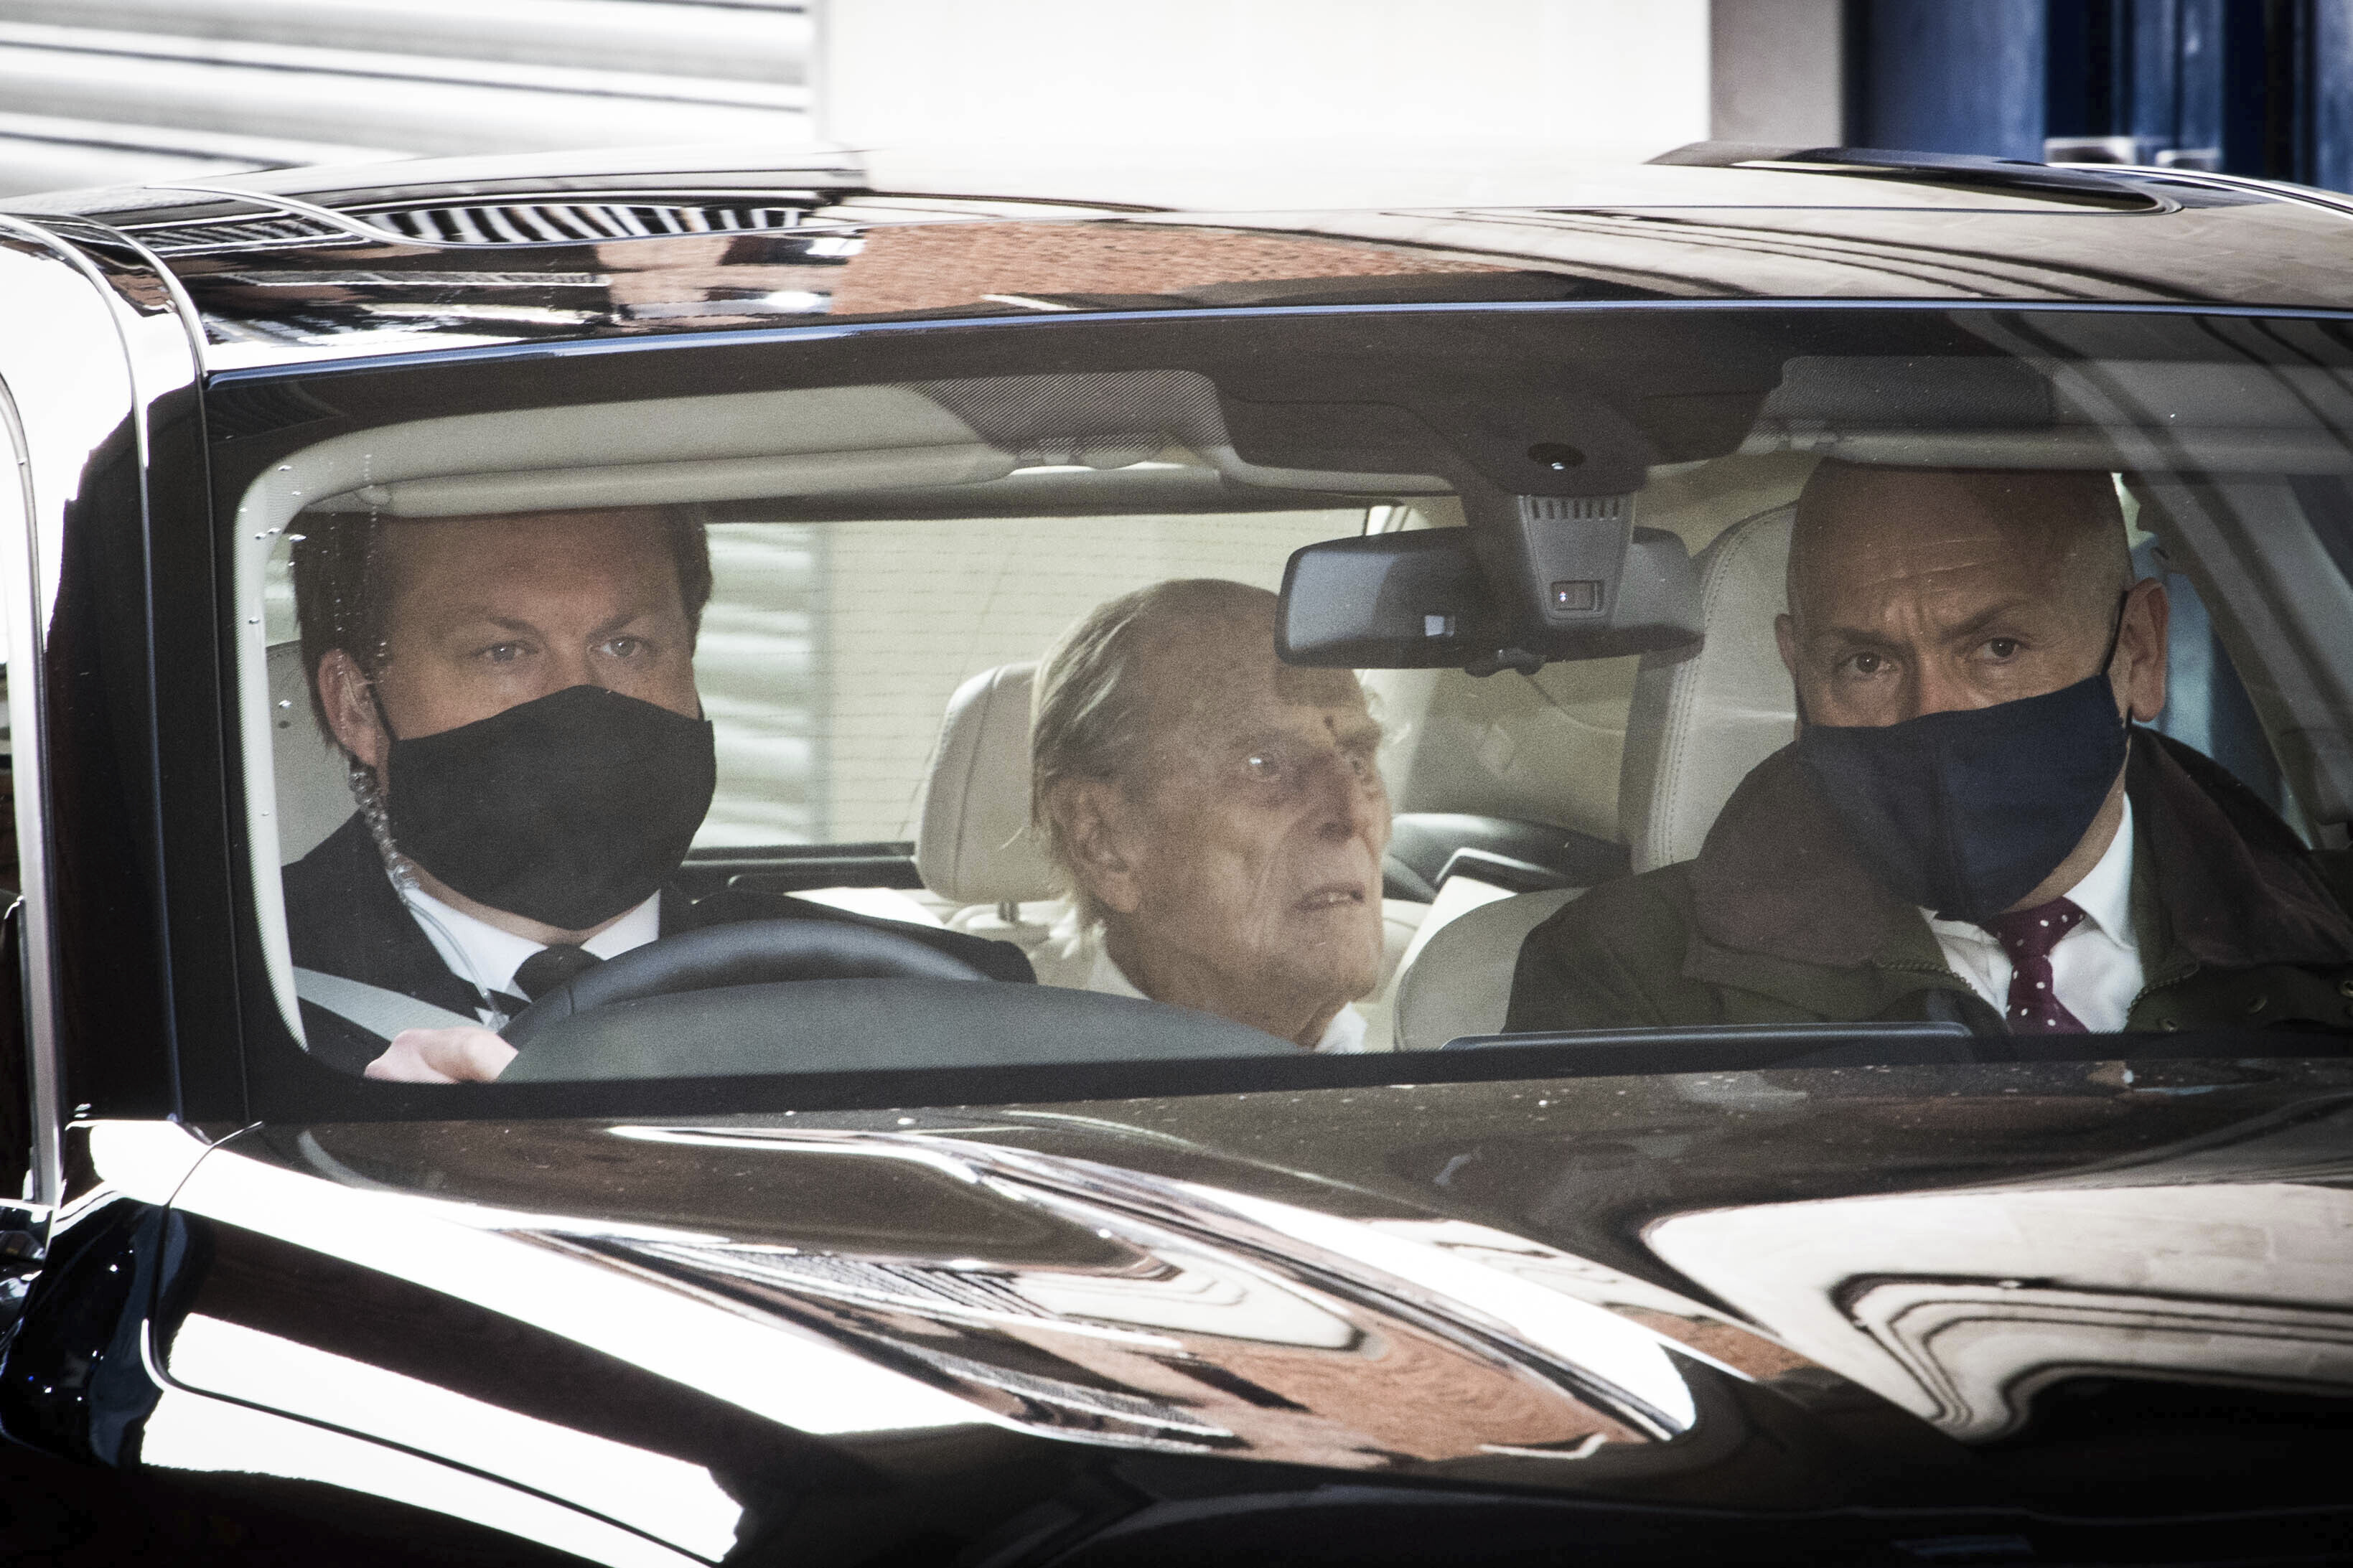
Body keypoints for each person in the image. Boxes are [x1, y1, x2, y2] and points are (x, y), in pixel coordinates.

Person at [1507, 461, 2353, 1035]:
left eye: (1996, 649)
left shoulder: (2333, 948)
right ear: (1798, 680)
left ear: (2137, 650)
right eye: (1866, 663)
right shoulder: (1628, 977)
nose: (1932, 715)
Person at [284, 504, 1031, 1080]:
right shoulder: (241, 1000)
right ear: (357, 707)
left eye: (627, 645)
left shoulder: (935, 1002)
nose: (579, 698)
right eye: (502, 651)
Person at [1029, 579, 1392, 1051]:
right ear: (1102, 840)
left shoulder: (1425, 1054)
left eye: (1358, 763)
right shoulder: (1009, 1073)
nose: (1354, 810)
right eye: (1265, 765)